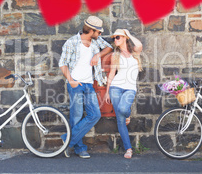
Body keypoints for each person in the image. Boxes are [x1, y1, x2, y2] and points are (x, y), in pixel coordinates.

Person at [59, 16, 113, 159]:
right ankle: (80, 148)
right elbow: (62, 63)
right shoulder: (72, 42)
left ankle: (67, 140)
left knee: (95, 114)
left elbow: (109, 47)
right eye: (99, 32)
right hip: (76, 84)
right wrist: (71, 80)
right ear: (91, 30)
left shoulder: (95, 41)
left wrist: (98, 55)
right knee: (76, 117)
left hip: (89, 84)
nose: (100, 34)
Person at [105, 29, 143, 159]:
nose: (115, 40)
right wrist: (107, 92)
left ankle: (128, 114)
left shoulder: (135, 53)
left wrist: (129, 33)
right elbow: (111, 74)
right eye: (114, 38)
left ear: (125, 38)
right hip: (115, 87)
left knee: (122, 109)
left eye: (118, 37)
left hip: (130, 88)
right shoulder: (115, 55)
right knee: (120, 120)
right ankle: (128, 149)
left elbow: (139, 45)